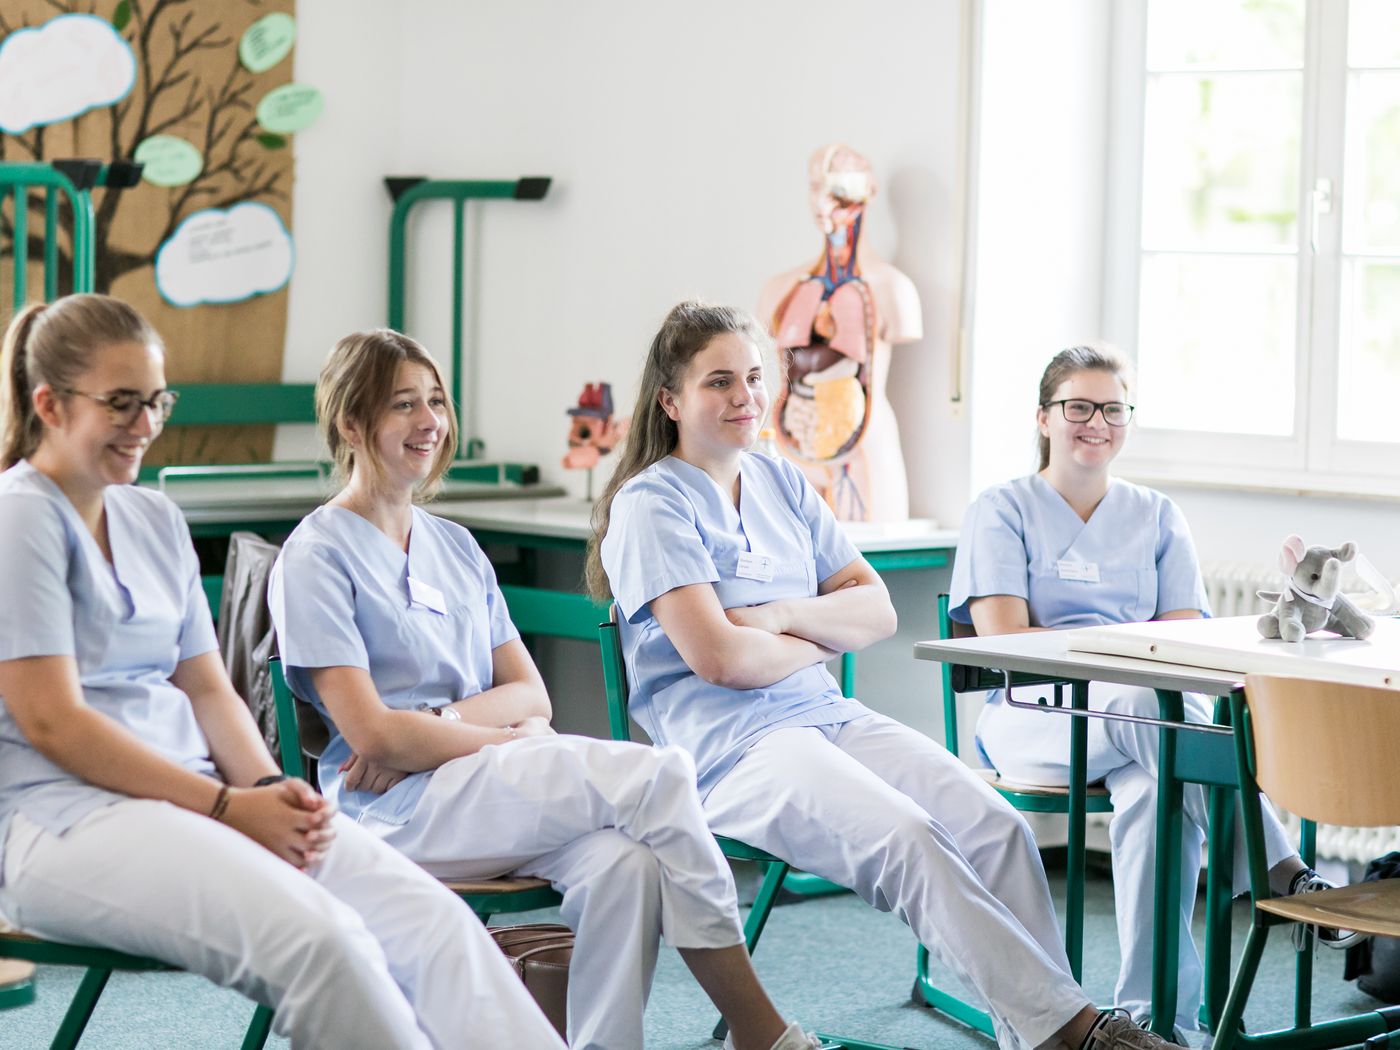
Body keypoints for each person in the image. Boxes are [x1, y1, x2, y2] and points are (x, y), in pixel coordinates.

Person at [589, 300, 1180, 1050]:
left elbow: (874, 613)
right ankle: (1074, 1034)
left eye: (754, 377)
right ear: (671, 401)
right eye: (718, 383)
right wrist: (814, 631)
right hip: (731, 752)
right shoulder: (651, 506)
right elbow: (721, 661)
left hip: (826, 718)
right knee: (911, 836)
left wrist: (774, 620)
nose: (745, 398)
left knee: (996, 827)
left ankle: (1035, 1033)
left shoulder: (780, 482)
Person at [0, 295, 566, 1050]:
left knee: (433, 921)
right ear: (50, 403)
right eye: (121, 403)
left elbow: (205, 686)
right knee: (324, 945)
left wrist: (271, 791)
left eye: (156, 401)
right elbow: (53, 722)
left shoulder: (154, 519)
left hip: (197, 800)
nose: (145, 424)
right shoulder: (20, 518)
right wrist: (229, 807)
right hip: (67, 821)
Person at [269, 327, 820, 1050]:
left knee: (627, 866)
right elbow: (373, 738)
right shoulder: (315, 557)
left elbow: (533, 697)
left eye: (435, 400)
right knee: (656, 776)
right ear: (350, 423)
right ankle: (761, 1028)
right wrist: (495, 734)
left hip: (488, 784)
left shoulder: (456, 547)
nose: (430, 421)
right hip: (396, 812)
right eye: (404, 405)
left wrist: (443, 725)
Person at [947, 343, 1345, 1035]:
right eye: (1078, 406)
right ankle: (1278, 864)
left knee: (1158, 787)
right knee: (1142, 703)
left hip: (1141, 726)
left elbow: (1184, 638)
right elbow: (1007, 636)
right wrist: (1122, 649)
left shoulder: (1156, 514)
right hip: (1031, 714)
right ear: (1044, 417)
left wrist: (1124, 651)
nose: (1094, 422)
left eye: (1112, 408)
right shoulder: (1001, 508)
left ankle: (1153, 1021)